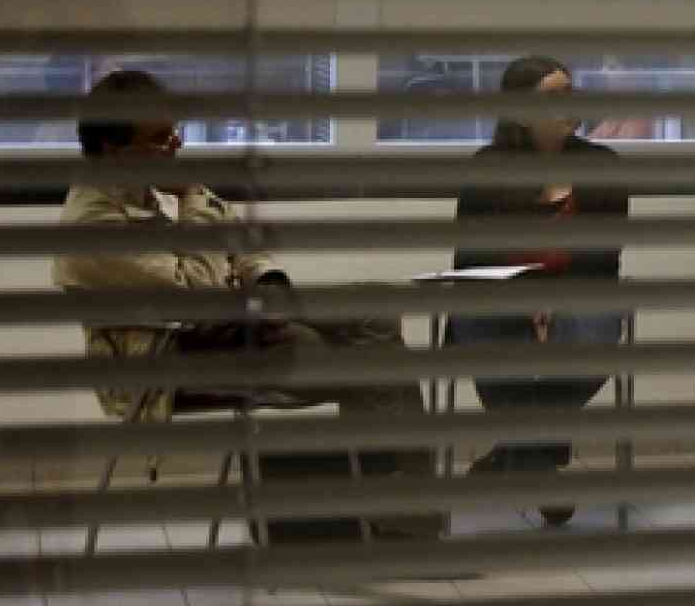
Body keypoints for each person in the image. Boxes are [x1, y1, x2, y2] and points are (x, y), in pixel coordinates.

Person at [53, 69, 441, 542]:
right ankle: (404, 520)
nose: (176, 145)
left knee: (374, 310)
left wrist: (268, 279)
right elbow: (196, 291)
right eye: (158, 139)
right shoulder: (94, 226)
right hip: (166, 359)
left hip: (231, 320)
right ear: (113, 149)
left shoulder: (149, 185)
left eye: (174, 132)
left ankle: (401, 511)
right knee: (364, 361)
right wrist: (192, 203)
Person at [448, 56, 630, 527]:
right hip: (500, 299)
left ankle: (517, 454)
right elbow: (469, 259)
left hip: (581, 295)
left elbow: (603, 257)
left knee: (588, 336)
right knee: (480, 326)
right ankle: (539, 459)